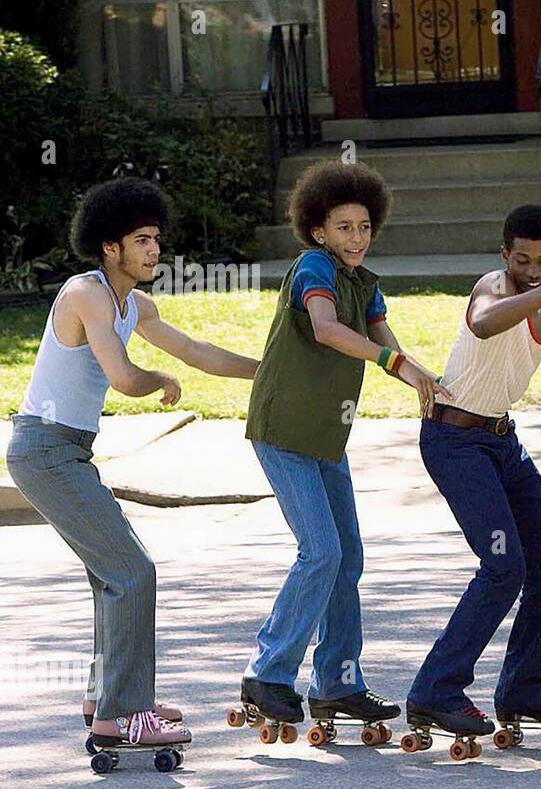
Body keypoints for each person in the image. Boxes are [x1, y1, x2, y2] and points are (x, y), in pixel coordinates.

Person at [5, 177, 259, 752]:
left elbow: (196, 350)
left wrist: (263, 371)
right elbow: (122, 376)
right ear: (109, 246)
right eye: (141, 240)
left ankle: (107, 697)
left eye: (156, 239)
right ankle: (124, 714)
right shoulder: (86, 293)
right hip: (44, 449)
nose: (153, 250)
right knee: (134, 571)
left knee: (110, 575)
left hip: (65, 452)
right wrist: (158, 382)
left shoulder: (133, 302)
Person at [238, 160, 447, 742]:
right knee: (321, 552)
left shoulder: (366, 282)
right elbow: (328, 329)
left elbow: (386, 340)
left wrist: (424, 380)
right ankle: (267, 672)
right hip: (283, 429)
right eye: (343, 226)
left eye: (363, 226)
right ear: (318, 230)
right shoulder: (313, 269)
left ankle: (337, 680)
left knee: (347, 556)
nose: (355, 237)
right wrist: (395, 364)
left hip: (327, 434)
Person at [402, 205, 541, 751]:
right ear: (505, 256)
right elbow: (486, 321)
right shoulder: (492, 287)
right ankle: (436, 690)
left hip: (503, 443)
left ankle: (526, 688)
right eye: (524, 260)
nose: (534, 270)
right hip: (454, 440)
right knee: (504, 565)